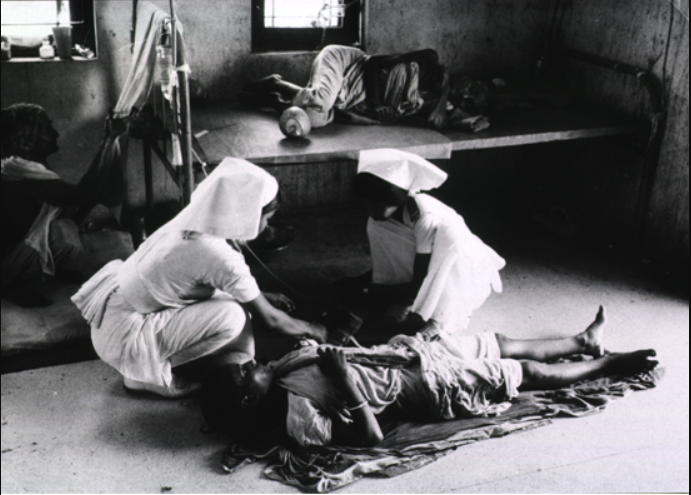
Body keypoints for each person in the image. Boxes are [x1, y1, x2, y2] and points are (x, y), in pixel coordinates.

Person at [199, 306, 658, 448]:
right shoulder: (295, 414)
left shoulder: (278, 371)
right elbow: (373, 439)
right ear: (248, 402)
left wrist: (344, 343)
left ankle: (582, 342)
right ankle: (607, 365)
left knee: (499, 341)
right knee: (528, 373)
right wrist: (342, 378)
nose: (251, 363)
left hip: (409, 355)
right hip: (427, 385)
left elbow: (321, 350)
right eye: (244, 374)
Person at [71, 158, 328, 398]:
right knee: (234, 316)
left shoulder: (192, 219)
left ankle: (234, 363)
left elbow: (192, 281)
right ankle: (145, 375)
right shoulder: (217, 254)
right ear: (248, 213)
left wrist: (260, 297)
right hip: (124, 339)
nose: (266, 228)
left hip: (108, 321)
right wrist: (312, 328)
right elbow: (271, 320)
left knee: (237, 306)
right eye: (267, 219)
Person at [333, 148, 505, 342]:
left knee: (435, 311)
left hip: (457, 263)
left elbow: (423, 271)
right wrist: (368, 281)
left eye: (378, 205)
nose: (371, 210)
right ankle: (395, 293)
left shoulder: (424, 217)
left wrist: (383, 292)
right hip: (428, 255)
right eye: (368, 204)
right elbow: (389, 256)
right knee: (375, 226)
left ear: (396, 199)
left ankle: (425, 311)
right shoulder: (380, 218)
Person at [1, 103, 125, 308]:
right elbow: (79, 195)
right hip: (5, 262)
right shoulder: (20, 175)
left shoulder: (24, 167)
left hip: (15, 250)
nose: (55, 134)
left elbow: (75, 202)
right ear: (28, 137)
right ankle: (9, 284)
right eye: (46, 129)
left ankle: (42, 270)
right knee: (62, 234)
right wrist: (109, 139)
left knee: (65, 224)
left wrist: (92, 196)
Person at [242, 45, 452, 137]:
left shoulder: (423, 99)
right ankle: (276, 83)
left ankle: (273, 100)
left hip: (349, 91)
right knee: (322, 101)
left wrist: (444, 95)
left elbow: (437, 119)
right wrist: (379, 105)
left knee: (314, 120)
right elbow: (372, 62)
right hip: (347, 63)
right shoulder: (426, 60)